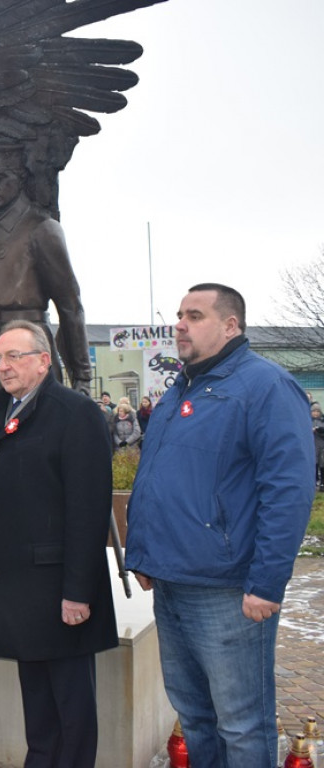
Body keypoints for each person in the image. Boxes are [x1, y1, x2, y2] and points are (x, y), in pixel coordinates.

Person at [125, 283, 315, 767]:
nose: (179, 324)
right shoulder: (181, 390)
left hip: (229, 593)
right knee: (194, 716)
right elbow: (158, 480)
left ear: (231, 325)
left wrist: (267, 583)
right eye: (178, 314)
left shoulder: (264, 386)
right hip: (172, 585)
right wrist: (143, 556)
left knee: (241, 723)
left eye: (195, 315)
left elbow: (288, 490)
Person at [0, 320, 117, 768]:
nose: (4, 366)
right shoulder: (1, 412)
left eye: (14, 356)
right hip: (20, 589)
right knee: (37, 706)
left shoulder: (74, 413)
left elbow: (88, 509)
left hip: (59, 590)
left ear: (44, 361)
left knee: (71, 708)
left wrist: (78, 591)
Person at [0, 147, 92, 420]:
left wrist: (82, 375)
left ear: (20, 178)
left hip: (28, 346)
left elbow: (71, 305)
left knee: (36, 430)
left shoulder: (42, 228)